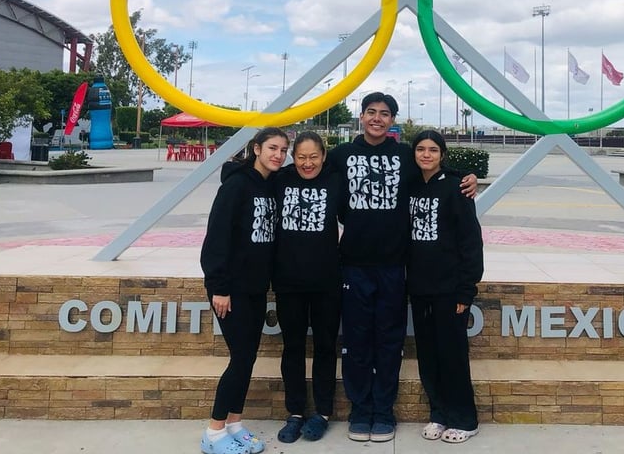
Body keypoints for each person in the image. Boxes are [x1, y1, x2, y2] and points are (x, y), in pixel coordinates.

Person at [327, 92, 477, 444]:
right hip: (354, 268)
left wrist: (463, 177)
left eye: (384, 114)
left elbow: (433, 168)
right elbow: (304, 169)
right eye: (371, 112)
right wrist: (234, 168)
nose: (377, 119)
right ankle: (360, 411)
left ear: (393, 120)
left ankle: (384, 411)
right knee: (357, 343)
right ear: (361, 116)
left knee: (389, 343)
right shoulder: (341, 155)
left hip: (394, 268)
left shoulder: (404, 156)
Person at [200, 127, 289, 454]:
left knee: (247, 358)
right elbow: (216, 240)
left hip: (255, 288)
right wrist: (219, 288)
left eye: (283, 149)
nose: (278, 155)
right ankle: (214, 432)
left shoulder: (270, 185)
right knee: (239, 359)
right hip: (230, 290)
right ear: (256, 148)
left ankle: (234, 423)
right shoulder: (236, 186)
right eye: (272, 148)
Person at [407, 130, 483, 444]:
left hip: (450, 290)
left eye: (433, 150)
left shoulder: (456, 188)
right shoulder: (410, 186)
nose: (426, 154)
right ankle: (439, 413)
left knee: (452, 355)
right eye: (421, 149)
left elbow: (471, 242)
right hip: (419, 289)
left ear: (442, 155)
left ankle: (464, 418)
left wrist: (466, 290)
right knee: (428, 355)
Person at [271, 132, 346, 444]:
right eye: (300, 156)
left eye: (313, 156)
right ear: (292, 157)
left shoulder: (337, 180)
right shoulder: (280, 179)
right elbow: (237, 173)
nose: (307, 163)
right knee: (293, 348)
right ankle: (296, 412)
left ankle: (323, 413)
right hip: (288, 282)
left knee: (326, 347)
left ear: (323, 155)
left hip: (327, 281)